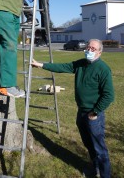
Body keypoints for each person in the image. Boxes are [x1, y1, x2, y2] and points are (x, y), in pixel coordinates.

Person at [32, 39, 114, 178]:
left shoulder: (103, 69)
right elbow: (63, 67)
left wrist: (95, 112)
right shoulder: (81, 64)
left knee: (100, 149)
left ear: (99, 52)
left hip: (94, 115)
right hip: (81, 112)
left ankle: (106, 175)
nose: (89, 50)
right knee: (89, 144)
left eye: (93, 49)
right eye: (88, 47)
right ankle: (95, 170)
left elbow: (109, 95)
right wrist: (41, 65)